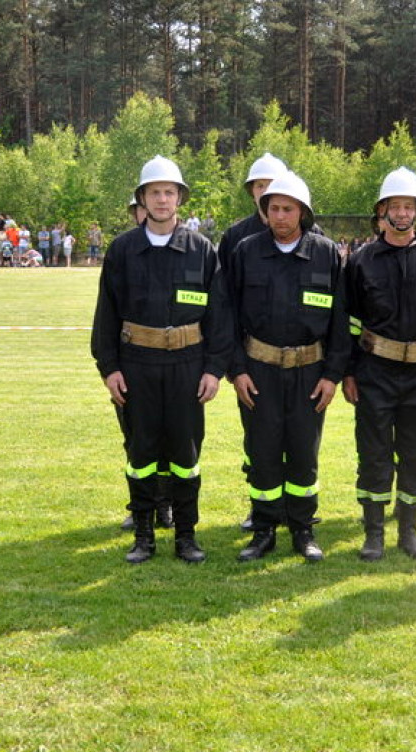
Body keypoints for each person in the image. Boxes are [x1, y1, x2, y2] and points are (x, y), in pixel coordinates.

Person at [91, 155, 231, 564]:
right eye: (155, 192)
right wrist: (109, 368)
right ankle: (145, 538)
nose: (163, 200)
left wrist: (214, 370)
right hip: (137, 366)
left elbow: (219, 315)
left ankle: (186, 537)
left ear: (180, 199)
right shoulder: (122, 250)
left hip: (188, 366)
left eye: (170, 192)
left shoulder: (201, 250)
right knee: (141, 453)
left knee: (186, 456)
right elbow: (106, 314)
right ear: (143, 198)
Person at [229, 170, 349, 562]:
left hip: (309, 374)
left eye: (288, 209)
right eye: (273, 208)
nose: (279, 215)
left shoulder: (326, 253)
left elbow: (339, 321)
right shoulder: (245, 252)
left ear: (303, 212)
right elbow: (226, 316)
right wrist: (238, 372)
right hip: (258, 372)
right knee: (262, 452)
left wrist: (332, 375)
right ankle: (263, 531)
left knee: (303, 452)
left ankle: (302, 529)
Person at [343, 167, 416, 560]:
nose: (402, 212)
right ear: (382, 211)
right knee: (374, 452)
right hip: (375, 372)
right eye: (395, 205)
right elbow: (349, 323)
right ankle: (374, 532)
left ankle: (409, 530)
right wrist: (348, 372)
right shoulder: (361, 261)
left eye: (409, 206)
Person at [216, 152, 290, 532]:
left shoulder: (310, 234)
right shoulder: (234, 238)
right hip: (252, 360)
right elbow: (223, 305)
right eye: (259, 186)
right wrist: (234, 365)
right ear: (252, 193)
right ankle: (259, 505)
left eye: (271, 185)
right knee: (257, 438)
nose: (265, 193)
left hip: (299, 364)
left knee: (299, 439)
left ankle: (296, 509)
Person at [117, 197, 174, 534]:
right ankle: (140, 506)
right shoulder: (125, 252)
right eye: (138, 209)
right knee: (136, 442)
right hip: (133, 366)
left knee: (170, 442)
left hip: (173, 368)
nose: (143, 213)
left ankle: (164, 505)